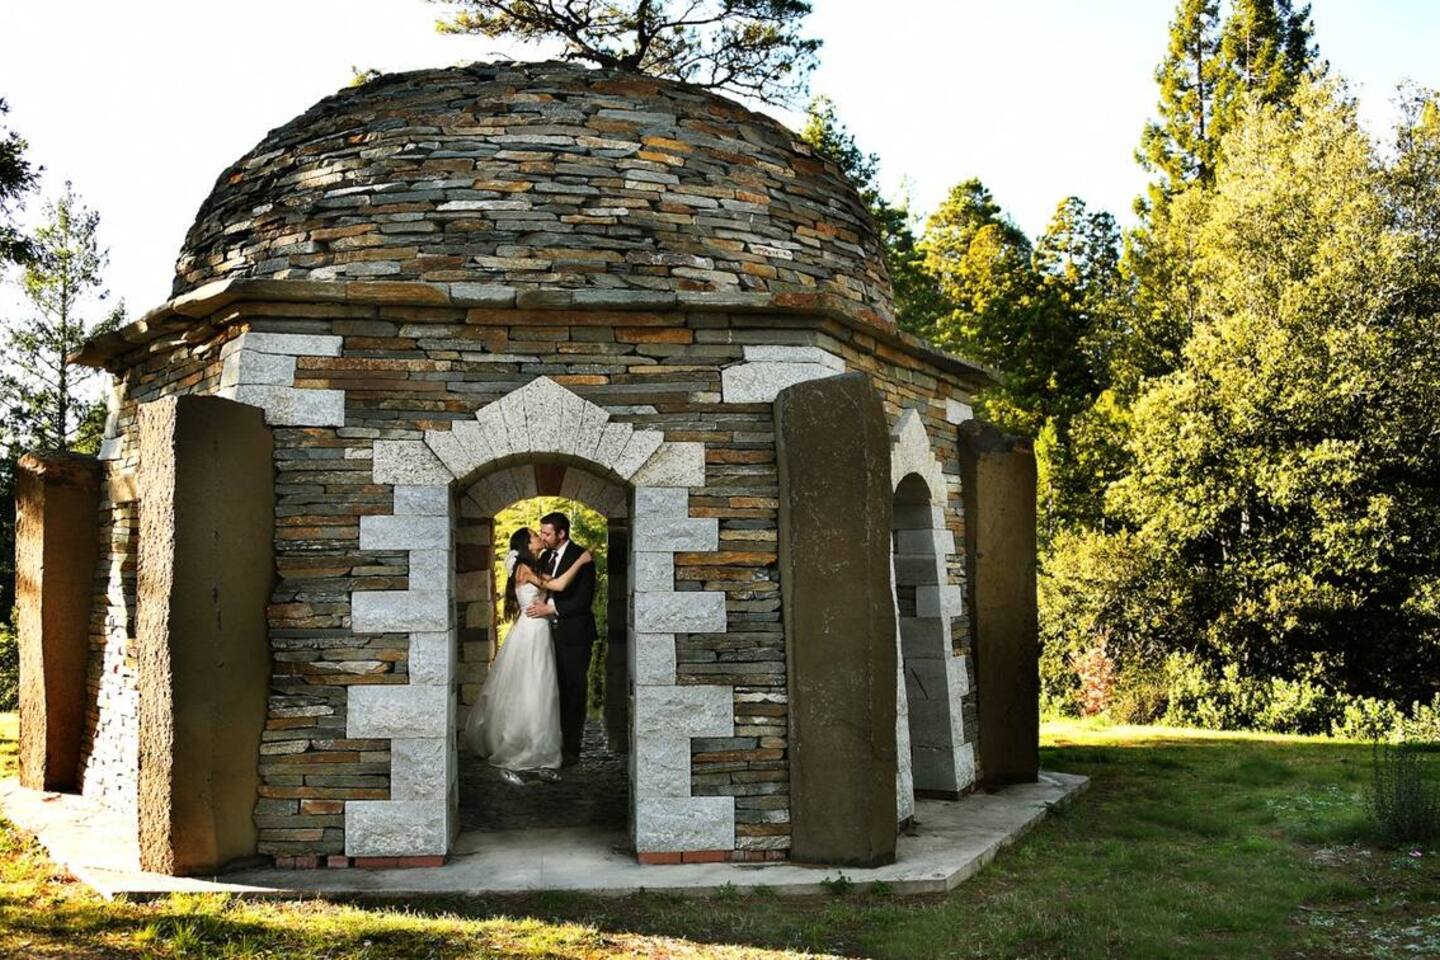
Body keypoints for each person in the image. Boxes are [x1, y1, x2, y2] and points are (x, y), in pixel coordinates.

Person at [465, 526, 592, 785]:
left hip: (537, 629)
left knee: (538, 685)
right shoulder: (525, 568)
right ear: (526, 543)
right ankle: (529, 743)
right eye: (535, 535)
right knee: (534, 685)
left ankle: (537, 739)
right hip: (533, 630)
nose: (539, 538)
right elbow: (558, 584)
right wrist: (581, 561)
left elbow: (556, 584)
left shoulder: (531, 566)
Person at [525, 511, 598, 767]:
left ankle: (571, 750)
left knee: (573, 691)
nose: (543, 537)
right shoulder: (545, 557)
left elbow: (583, 600)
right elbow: (547, 587)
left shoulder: (582, 557)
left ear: (561, 533)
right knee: (549, 690)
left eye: (547, 533)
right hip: (546, 634)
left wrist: (552, 609)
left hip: (574, 635)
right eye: (541, 532)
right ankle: (550, 744)